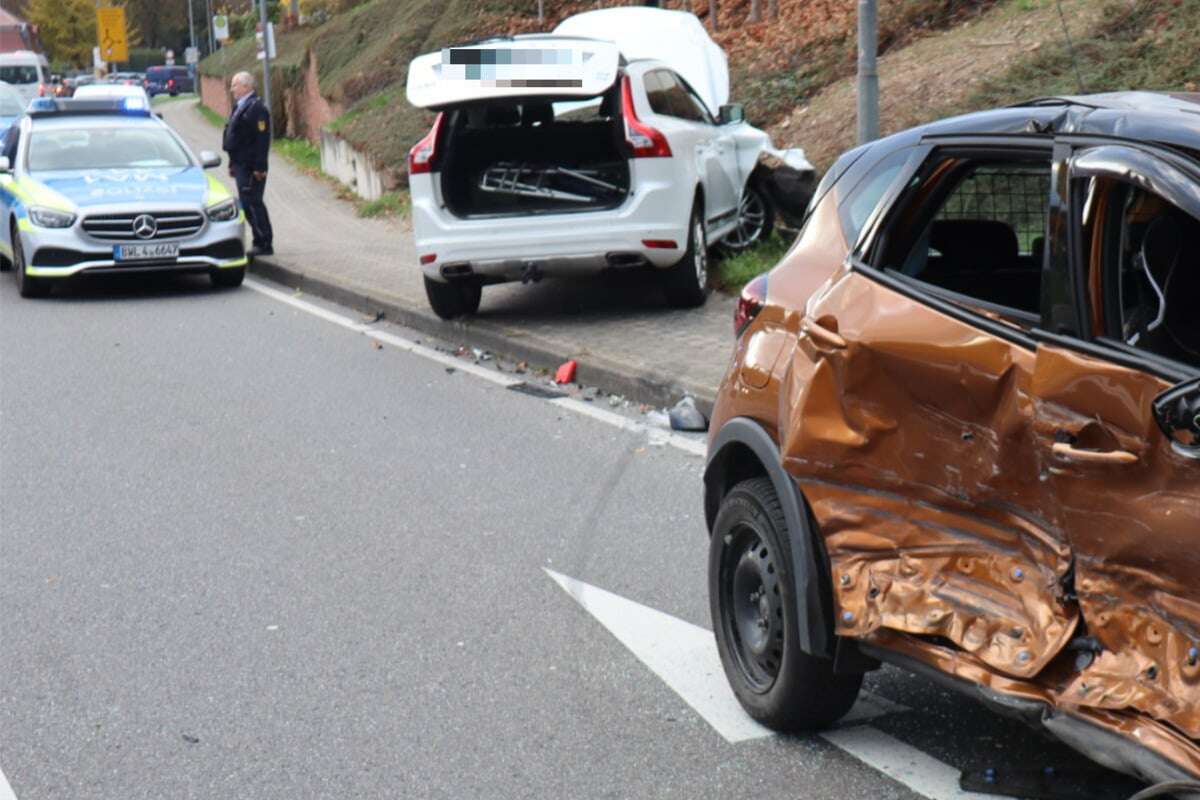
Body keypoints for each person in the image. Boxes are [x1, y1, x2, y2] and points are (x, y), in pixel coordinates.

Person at [223, 71, 273, 256]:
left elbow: (262, 139)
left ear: (246, 86)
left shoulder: (256, 108)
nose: (232, 89)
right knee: (246, 202)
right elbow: (235, 136)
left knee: (252, 202)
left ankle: (264, 242)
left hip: (251, 166)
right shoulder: (240, 106)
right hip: (240, 163)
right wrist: (231, 163)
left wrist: (260, 167)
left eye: (235, 85)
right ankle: (259, 239)